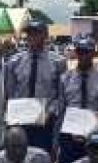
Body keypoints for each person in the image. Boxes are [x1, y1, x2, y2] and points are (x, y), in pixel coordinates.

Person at [55, 38, 98, 163]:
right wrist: (58, 139)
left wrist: (94, 134)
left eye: (87, 52)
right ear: (76, 53)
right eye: (80, 52)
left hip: (94, 139)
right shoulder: (65, 78)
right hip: (69, 137)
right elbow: (61, 110)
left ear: (93, 53)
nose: (83, 56)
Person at [4, 21, 66, 151]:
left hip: (45, 121)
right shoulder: (14, 61)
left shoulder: (58, 62)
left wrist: (51, 112)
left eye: (36, 33)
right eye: (29, 33)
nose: (31, 37)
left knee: (42, 158)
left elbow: (60, 95)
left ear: (45, 36)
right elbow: (10, 93)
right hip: (20, 121)